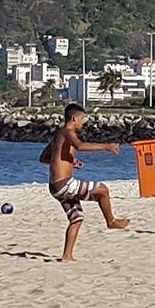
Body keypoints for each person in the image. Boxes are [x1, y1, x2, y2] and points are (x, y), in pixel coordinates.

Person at [39, 103, 131, 261]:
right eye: (82, 119)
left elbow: (44, 158)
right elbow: (80, 145)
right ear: (74, 119)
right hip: (64, 185)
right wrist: (106, 146)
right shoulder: (67, 132)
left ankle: (67, 256)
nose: (83, 123)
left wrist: (69, 161)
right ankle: (111, 221)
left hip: (55, 187)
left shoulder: (58, 136)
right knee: (102, 189)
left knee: (77, 218)